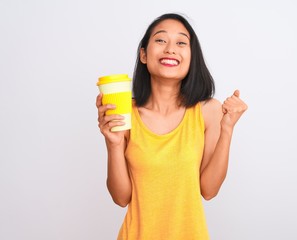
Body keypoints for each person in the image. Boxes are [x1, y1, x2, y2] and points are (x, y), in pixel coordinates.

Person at [96, 13, 248, 240]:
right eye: (160, 40)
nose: (170, 49)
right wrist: (114, 144)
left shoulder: (208, 111)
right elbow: (120, 198)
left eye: (181, 42)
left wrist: (227, 129)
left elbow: (209, 190)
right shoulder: (125, 112)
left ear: (191, 57)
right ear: (144, 55)